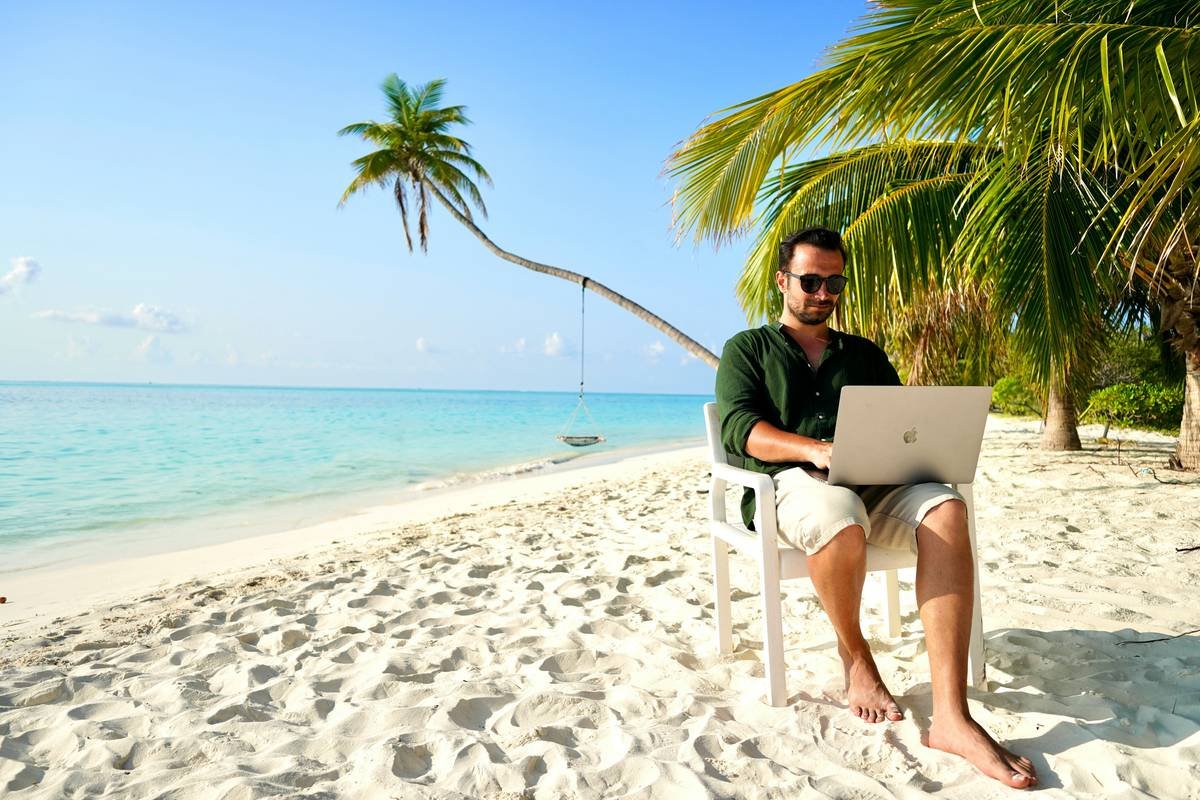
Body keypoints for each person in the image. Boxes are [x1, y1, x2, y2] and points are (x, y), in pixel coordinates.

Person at [714, 226, 1038, 790]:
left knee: (947, 508)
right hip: (788, 484)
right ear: (782, 281)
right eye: (810, 280)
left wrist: (918, 451)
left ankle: (953, 718)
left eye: (833, 281)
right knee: (838, 515)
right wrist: (814, 449)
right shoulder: (748, 349)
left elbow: (900, 422)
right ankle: (856, 658)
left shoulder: (862, 354)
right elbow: (743, 430)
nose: (822, 292)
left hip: (871, 482)